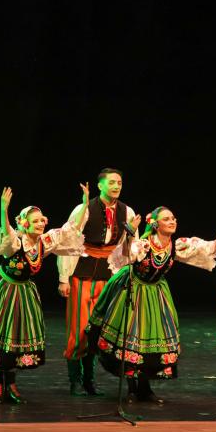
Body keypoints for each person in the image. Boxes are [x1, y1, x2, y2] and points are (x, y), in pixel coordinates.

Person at [0, 184, 88, 403]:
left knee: (14, 339)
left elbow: (70, 229)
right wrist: (4, 209)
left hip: (23, 293)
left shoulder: (44, 242)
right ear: (25, 224)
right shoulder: (17, 241)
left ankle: (11, 385)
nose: (41, 224)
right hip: (2, 289)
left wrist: (85, 203)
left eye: (42, 220)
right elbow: (6, 231)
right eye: (35, 221)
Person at [86, 207, 216, 404]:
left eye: (173, 218)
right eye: (166, 219)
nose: (172, 221)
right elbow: (125, 257)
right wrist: (129, 234)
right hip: (134, 289)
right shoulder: (144, 244)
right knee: (132, 336)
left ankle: (145, 388)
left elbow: (210, 248)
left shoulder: (177, 245)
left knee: (150, 340)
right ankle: (132, 388)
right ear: (156, 224)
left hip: (155, 292)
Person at [57, 168, 136, 396]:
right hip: (83, 276)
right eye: (112, 182)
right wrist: (64, 278)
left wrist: (126, 274)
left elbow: (128, 246)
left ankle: (89, 380)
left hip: (109, 277)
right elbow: (68, 241)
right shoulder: (84, 209)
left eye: (119, 182)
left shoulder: (127, 211)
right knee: (80, 327)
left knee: (100, 329)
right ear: (100, 185)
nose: (116, 186)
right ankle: (75, 380)